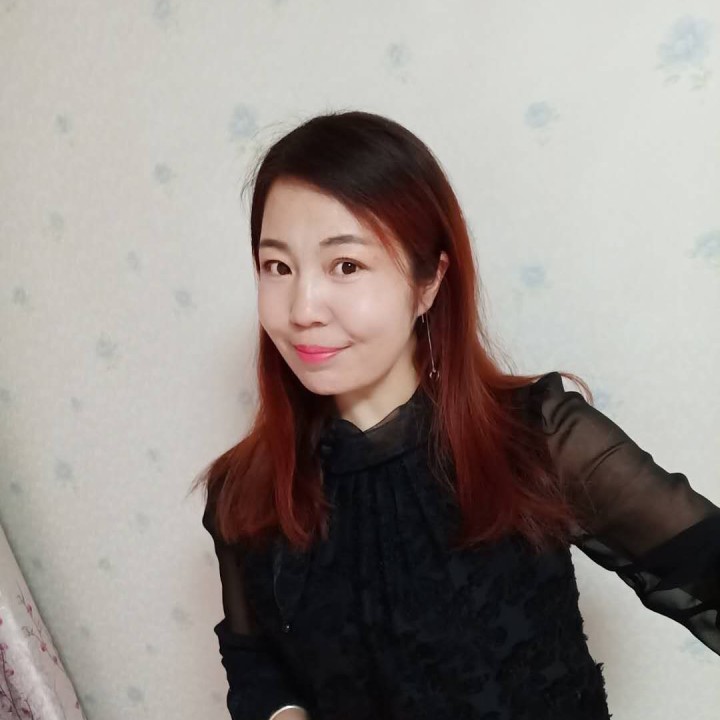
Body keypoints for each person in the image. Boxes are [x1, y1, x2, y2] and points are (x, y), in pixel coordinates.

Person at [191, 110, 720, 720]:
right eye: (278, 267)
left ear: (428, 282)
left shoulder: (536, 438)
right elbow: (253, 656)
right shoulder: (244, 491)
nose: (302, 308)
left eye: (346, 266)